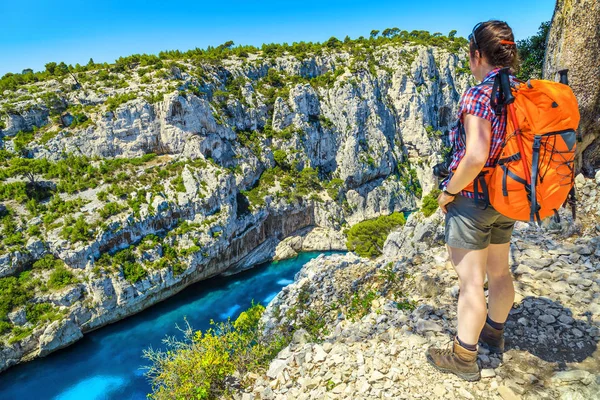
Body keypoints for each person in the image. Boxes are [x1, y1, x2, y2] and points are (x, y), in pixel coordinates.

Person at [426, 20, 519, 382]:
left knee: (470, 283)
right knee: (500, 271)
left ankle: (464, 357)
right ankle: (493, 333)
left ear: (477, 54)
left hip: (473, 199)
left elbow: (476, 156)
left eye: (469, 52)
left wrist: (449, 192)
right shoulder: (520, 90)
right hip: (507, 196)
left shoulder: (479, 94)